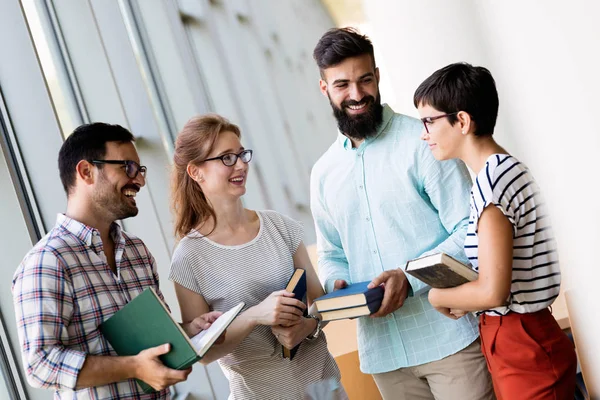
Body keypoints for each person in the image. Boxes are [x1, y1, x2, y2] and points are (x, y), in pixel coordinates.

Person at [310, 28, 495, 400]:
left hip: (449, 340)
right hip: (384, 357)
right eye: (342, 84)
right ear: (325, 89)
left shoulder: (423, 142)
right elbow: (331, 253)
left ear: (377, 77)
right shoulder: (323, 172)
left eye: (365, 80)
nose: (357, 94)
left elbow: (469, 227)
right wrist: (338, 286)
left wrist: (409, 279)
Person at [12, 123, 222, 399]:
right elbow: (40, 365)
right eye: (127, 167)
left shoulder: (136, 251)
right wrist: (134, 367)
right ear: (86, 172)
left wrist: (187, 331)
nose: (140, 180)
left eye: (140, 169)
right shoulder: (47, 262)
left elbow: (149, 340)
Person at [414, 62, 577, 399]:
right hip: (520, 339)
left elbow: (493, 292)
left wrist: (438, 296)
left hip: (522, 342)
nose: (423, 133)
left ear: (461, 121)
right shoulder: (503, 171)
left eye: (429, 121)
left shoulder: (493, 182)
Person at [168, 114, 344, 400]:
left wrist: (307, 327)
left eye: (241, 154)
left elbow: (319, 301)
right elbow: (203, 353)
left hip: (325, 389)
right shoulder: (189, 258)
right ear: (196, 172)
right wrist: (254, 316)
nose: (240, 165)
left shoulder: (279, 226)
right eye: (226, 158)